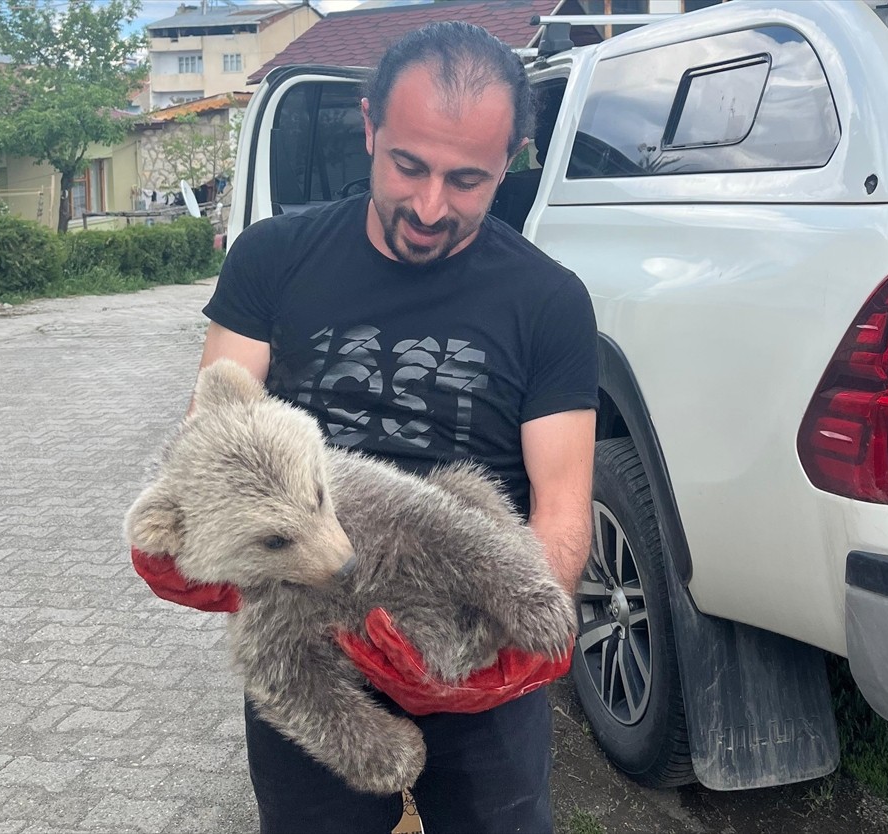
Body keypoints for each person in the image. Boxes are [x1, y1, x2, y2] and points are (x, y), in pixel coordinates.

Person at [132, 20, 598, 834]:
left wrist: (520, 652)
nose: (429, 206)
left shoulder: (549, 301)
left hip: (468, 617)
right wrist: (193, 543)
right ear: (369, 125)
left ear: (511, 163)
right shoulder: (272, 258)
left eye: (467, 181)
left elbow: (560, 504)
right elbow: (214, 434)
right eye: (408, 165)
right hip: (309, 622)